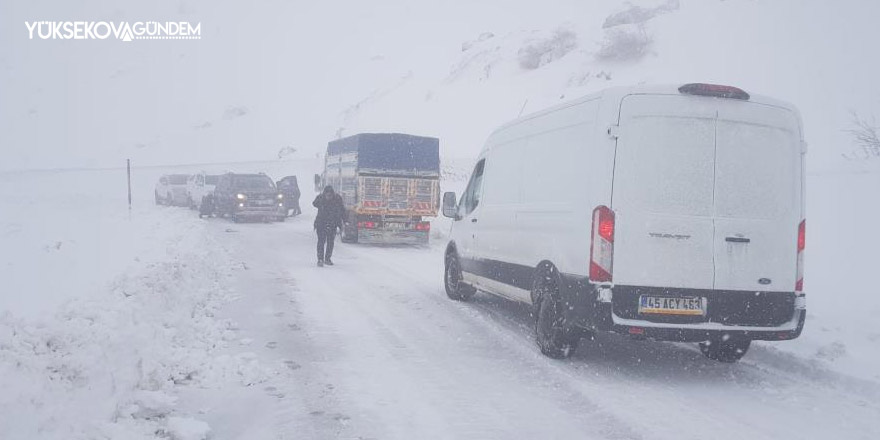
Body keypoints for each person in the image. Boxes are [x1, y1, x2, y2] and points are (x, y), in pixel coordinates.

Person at [313, 185, 345, 267]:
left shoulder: (337, 199)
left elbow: (342, 210)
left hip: (332, 224)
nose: (328, 197)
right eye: (327, 195)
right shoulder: (321, 199)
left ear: (332, 194)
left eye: (330, 195)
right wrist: (320, 198)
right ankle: (320, 259)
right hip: (321, 224)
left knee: (330, 243)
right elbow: (314, 203)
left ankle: (327, 258)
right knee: (321, 242)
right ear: (324, 194)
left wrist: (344, 221)